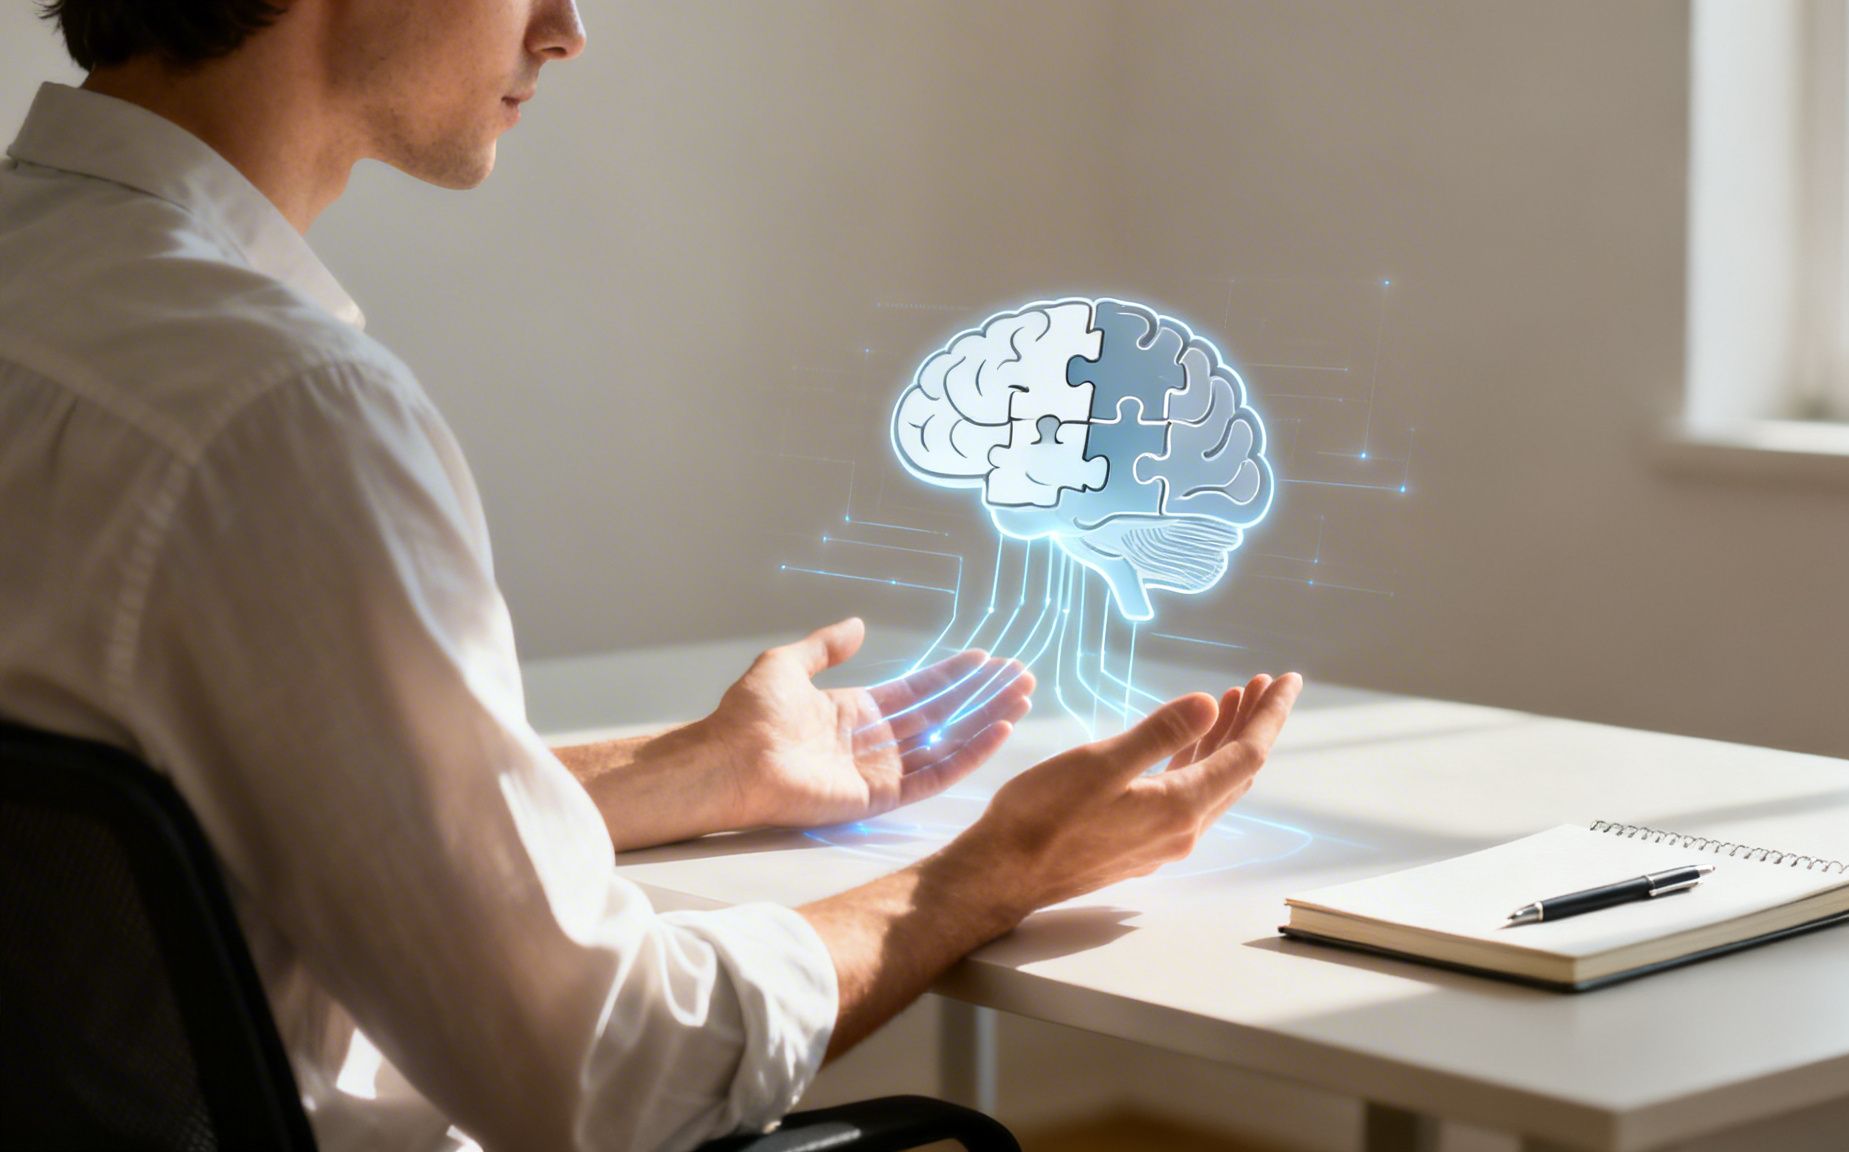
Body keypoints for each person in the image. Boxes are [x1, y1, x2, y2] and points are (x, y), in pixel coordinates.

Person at [0, 1, 1303, 1149]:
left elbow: (222, 808)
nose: (567, 28)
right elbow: (600, 1077)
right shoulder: (279, 415)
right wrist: (990, 871)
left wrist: (702, 768)